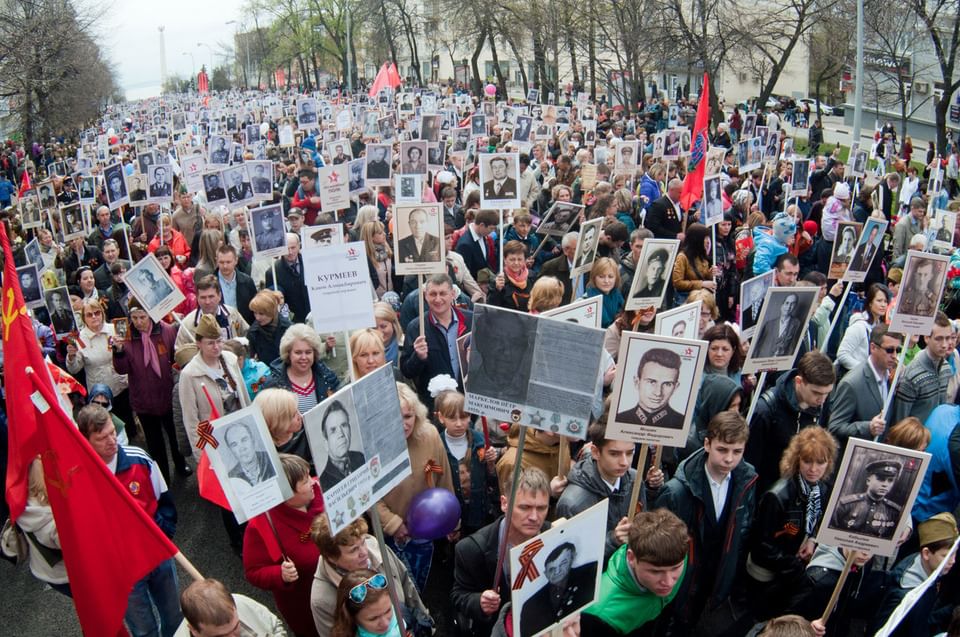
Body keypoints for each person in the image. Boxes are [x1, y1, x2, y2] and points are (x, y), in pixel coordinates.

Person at [77, 404, 182, 636]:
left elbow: (164, 500)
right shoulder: (80, 479)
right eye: (102, 438)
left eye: (112, 433)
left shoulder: (139, 460)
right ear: (85, 440)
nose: (112, 441)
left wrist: (162, 535)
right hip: (123, 572)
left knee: (174, 618)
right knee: (143, 630)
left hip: (157, 557)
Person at [654, 412, 756, 635]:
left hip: (716, 577)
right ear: (707, 444)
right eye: (723, 450)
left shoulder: (745, 481)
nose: (729, 459)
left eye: (737, 451)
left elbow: (743, 528)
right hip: (680, 583)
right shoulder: (677, 491)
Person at [745, 427, 838, 619]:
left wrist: (811, 540)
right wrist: (794, 565)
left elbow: (817, 519)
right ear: (797, 460)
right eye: (807, 461)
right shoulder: (777, 495)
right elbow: (762, 545)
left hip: (791, 562)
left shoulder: (821, 488)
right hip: (768, 569)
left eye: (820, 462)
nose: (814, 469)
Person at [451, 468, 551, 636]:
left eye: (541, 508)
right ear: (504, 503)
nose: (534, 517)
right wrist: (479, 602)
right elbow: (459, 595)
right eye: (525, 507)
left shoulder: (554, 534)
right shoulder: (471, 549)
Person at [376, 384, 455, 592]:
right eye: (395, 417)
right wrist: (393, 524)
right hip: (391, 535)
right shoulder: (373, 446)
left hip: (425, 529)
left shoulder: (429, 434)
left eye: (408, 416)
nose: (403, 424)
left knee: (417, 586)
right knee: (394, 590)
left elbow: (443, 475)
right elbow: (368, 495)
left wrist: (453, 520)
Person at [556, 420, 664, 563]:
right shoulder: (572, 503)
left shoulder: (634, 478)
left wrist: (651, 489)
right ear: (595, 452)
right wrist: (612, 540)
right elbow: (572, 560)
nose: (624, 462)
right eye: (614, 454)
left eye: (630, 453)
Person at [243, 454, 324, 637]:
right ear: (285, 493)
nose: (313, 482)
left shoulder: (324, 491)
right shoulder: (263, 525)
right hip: (305, 605)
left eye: (309, 475)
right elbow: (253, 571)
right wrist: (280, 574)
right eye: (304, 481)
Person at [310, 515, 431, 636]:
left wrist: (424, 621)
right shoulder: (322, 599)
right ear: (332, 557)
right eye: (353, 550)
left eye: (363, 542)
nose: (364, 552)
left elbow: (407, 585)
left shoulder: (376, 548)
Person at [112, 298, 189, 482]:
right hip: (143, 399)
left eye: (142, 317)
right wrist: (119, 352)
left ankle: (180, 463)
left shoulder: (167, 331)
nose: (138, 322)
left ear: (151, 315)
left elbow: (175, 359)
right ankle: (162, 474)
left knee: (174, 435)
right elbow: (122, 369)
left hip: (168, 395)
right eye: (134, 317)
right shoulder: (126, 337)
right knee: (155, 442)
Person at [579, 509, 689, 636]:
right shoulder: (600, 613)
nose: (669, 582)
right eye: (655, 572)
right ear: (631, 558)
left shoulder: (677, 554)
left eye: (675, 568)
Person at [746, 351, 835, 493]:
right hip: (770, 494)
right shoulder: (766, 410)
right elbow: (750, 465)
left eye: (827, 393)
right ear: (799, 382)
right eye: (816, 393)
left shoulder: (821, 402)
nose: (822, 400)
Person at [872, 512, 958, 637]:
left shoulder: (927, 569)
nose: (953, 561)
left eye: (954, 554)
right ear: (926, 553)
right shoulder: (903, 596)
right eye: (945, 556)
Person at [828, 325, 903, 448]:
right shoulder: (852, 383)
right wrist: (868, 427)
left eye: (898, 350)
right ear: (873, 347)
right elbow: (834, 427)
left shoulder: (891, 376)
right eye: (889, 350)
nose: (895, 356)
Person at [400, 274, 472, 402]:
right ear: (425, 296)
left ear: (453, 294)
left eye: (443, 293)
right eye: (433, 294)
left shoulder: (470, 321)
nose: (438, 299)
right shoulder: (416, 328)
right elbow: (407, 371)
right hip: (436, 407)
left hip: (468, 401)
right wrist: (418, 357)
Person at [519, 541, 599, 636]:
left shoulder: (590, 573)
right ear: (546, 574)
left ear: (572, 559)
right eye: (552, 569)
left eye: (563, 564)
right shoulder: (530, 605)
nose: (557, 572)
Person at [891, 311, 953, 424]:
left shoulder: (946, 368)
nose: (945, 345)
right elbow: (899, 422)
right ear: (926, 338)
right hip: (913, 439)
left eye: (948, 338)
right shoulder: (912, 375)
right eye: (939, 338)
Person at [174, 578, 285, 637]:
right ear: (194, 630)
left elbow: (275, 626)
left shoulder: (240, 602)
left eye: (236, 627)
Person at [830, 458, 904, 539]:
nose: (885, 484)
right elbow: (830, 531)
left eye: (890, 481)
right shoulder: (846, 504)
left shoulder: (894, 511)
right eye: (881, 479)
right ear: (868, 480)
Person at [615, 347, 684, 429]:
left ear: (675, 387)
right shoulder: (619, 419)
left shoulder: (682, 424)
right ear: (637, 382)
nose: (658, 393)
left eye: (667, 384)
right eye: (652, 382)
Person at [175, 275, 249, 348]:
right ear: (197, 298)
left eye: (211, 297)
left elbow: (248, 335)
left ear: (219, 296)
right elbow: (179, 351)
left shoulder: (232, 314)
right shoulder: (187, 324)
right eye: (203, 297)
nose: (207, 302)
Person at [836, 283, 891, 373]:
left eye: (885, 301)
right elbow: (842, 355)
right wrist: (866, 370)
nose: (883, 305)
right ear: (870, 303)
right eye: (879, 301)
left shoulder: (880, 326)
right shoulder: (859, 326)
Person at [330, 569, 400, 637]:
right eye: (373, 618)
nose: (385, 623)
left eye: (388, 611)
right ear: (352, 618)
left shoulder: (401, 614)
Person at [315, 399, 366, 490]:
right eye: (333, 430)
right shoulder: (324, 482)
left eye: (344, 425)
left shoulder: (360, 457)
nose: (341, 434)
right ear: (326, 443)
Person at [265, 234, 310, 323]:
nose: (290, 252)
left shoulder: (310, 263)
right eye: (286, 249)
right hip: (292, 322)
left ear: (299, 246)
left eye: (293, 248)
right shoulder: (273, 272)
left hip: (313, 317)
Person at [224, 420, 276, 487]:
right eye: (234, 445)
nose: (242, 448)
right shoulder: (231, 478)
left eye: (244, 440)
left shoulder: (271, 458)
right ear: (230, 450)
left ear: (253, 440)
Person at [752, 292, 804, 359]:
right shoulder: (769, 324)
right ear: (782, 305)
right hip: (763, 360)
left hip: (781, 364)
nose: (789, 307)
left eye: (792, 304)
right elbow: (759, 345)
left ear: (795, 306)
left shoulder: (797, 324)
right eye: (787, 303)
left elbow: (792, 346)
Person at [539, 231, 580, 305]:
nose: (582, 252)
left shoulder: (592, 263)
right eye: (577, 249)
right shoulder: (550, 268)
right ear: (566, 250)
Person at [584, 256, 625, 328]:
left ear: (616, 278)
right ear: (594, 278)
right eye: (601, 276)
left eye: (610, 276)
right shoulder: (587, 299)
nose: (606, 281)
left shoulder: (616, 293)